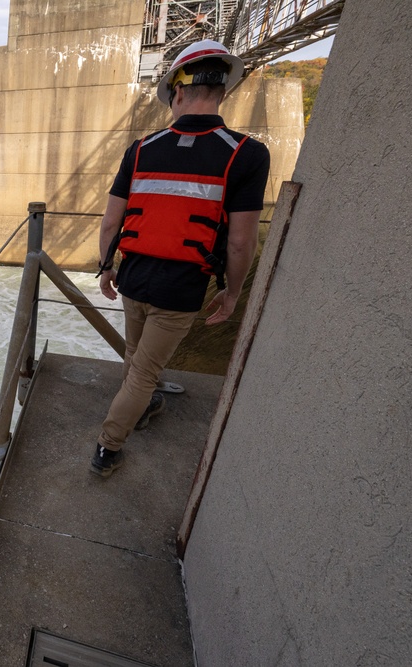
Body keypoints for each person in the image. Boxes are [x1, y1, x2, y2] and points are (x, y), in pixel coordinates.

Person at [90, 39, 270, 477]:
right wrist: (232, 292)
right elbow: (241, 242)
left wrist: (106, 266)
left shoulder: (142, 149)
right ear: (221, 91)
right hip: (182, 287)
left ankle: (141, 408)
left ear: (178, 91)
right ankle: (107, 448)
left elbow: (111, 223)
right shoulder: (246, 154)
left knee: (137, 360)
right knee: (142, 370)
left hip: (133, 275)